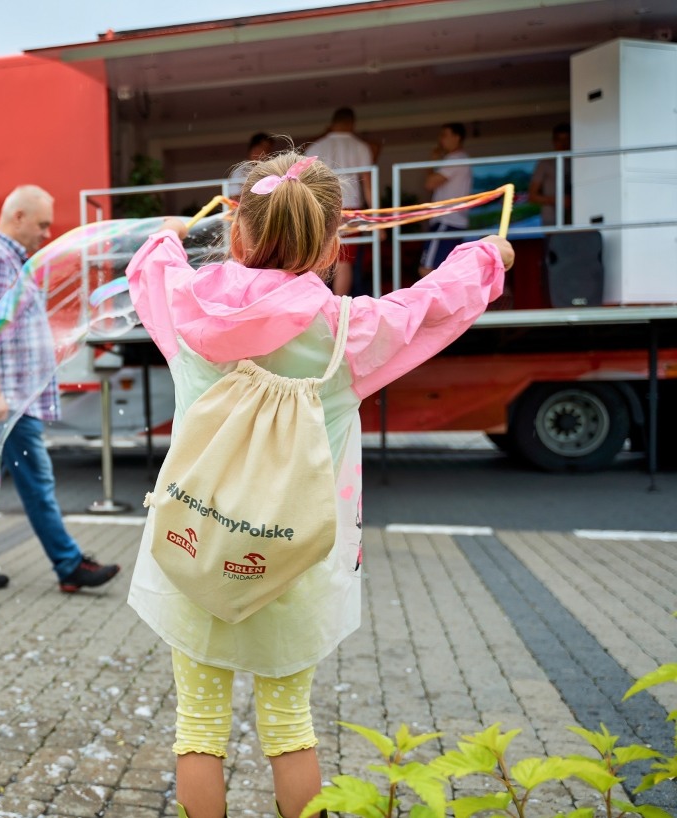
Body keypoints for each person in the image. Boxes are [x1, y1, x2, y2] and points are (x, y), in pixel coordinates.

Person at [125, 152, 513, 818]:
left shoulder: (186, 310)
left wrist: (166, 236)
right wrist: (488, 258)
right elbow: (426, 305)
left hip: (191, 543)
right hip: (294, 559)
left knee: (198, 727)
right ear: (334, 246)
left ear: (238, 234)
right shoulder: (347, 333)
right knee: (288, 725)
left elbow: (152, 268)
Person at [0, 185, 122, 594]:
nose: (45, 233)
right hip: (5, 400)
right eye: (41, 224)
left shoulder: (8, 259)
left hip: (11, 398)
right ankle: (68, 565)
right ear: (18, 217)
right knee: (29, 483)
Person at [306, 107, 374, 296]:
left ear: (332, 123)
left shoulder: (315, 147)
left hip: (321, 207)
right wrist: (377, 219)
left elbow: (306, 184)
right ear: (352, 123)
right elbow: (368, 184)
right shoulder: (361, 147)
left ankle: (313, 304)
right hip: (350, 208)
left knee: (317, 258)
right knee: (344, 261)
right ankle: (338, 311)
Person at [418, 122, 473, 277]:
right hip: (453, 221)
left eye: (444, 135)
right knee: (446, 272)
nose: (440, 140)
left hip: (447, 220)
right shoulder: (458, 158)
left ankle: (436, 302)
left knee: (427, 269)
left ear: (457, 137)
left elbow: (429, 183)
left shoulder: (455, 158)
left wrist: (432, 162)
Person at [528, 123, 572, 226]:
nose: (563, 144)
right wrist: (559, 200)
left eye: (567, 140)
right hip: (552, 219)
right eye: (559, 140)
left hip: (579, 217)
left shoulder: (581, 160)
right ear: (554, 142)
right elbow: (532, 196)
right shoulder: (545, 163)